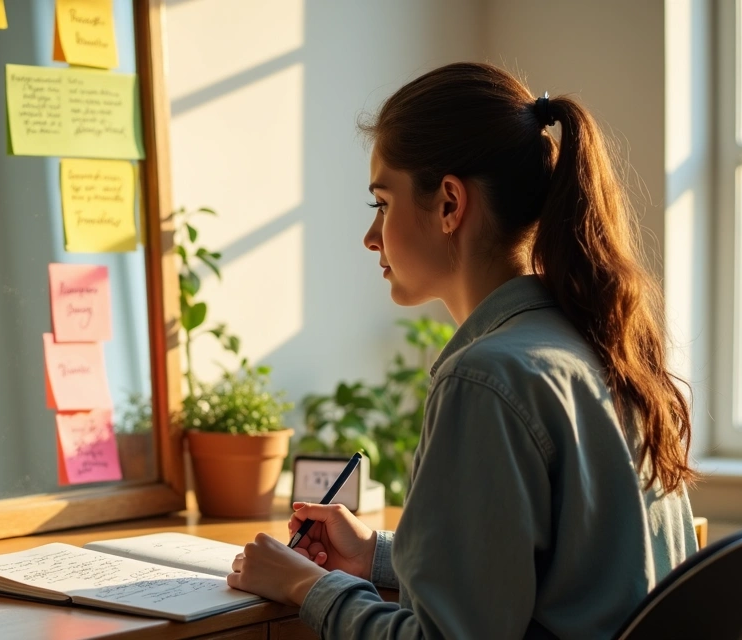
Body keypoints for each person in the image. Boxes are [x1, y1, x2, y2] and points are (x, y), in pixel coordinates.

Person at [227, 63, 698, 638]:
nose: (371, 237)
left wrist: (306, 586)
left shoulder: (486, 379)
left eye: (382, 204)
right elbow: (546, 571)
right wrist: (377, 555)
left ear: (450, 203)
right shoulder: (596, 343)